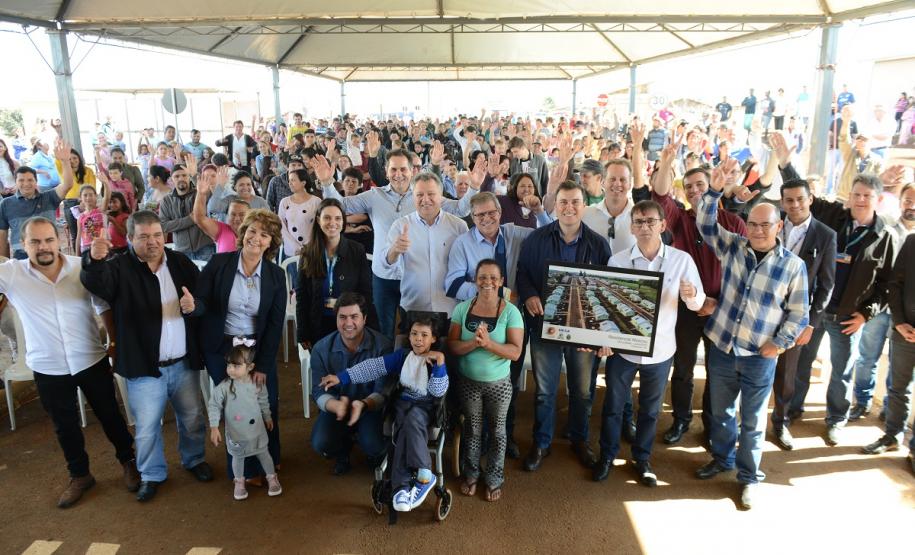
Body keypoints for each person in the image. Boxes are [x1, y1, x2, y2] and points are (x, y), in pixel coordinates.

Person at [693, 161, 809, 511]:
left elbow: (799, 313)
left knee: (753, 421)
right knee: (723, 413)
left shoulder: (793, 266)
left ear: (779, 226)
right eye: (753, 224)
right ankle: (723, 459)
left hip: (761, 356)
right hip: (723, 347)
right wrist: (713, 192)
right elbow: (705, 223)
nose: (757, 231)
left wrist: (780, 343)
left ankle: (748, 478)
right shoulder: (733, 246)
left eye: (765, 225)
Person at [0, 216, 139, 508]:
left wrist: (113, 342)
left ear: (60, 239)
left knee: (110, 414)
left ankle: (129, 462)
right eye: (35, 241)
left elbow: (103, 306)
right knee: (65, 425)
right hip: (47, 365)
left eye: (49, 240)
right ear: (23, 244)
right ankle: (80, 475)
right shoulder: (12, 274)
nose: (43, 247)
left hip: (89, 357)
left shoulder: (80, 267)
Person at [81, 210, 212, 502]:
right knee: (147, 427)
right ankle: (152, 474)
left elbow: (205, 299)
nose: (152, 242)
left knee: (192, 418)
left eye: (156, 235)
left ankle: (193, 460)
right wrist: (94, 260)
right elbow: (96, 283)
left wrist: (196, 306)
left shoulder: (180, 263)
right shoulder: (117, 268)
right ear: (130, 239)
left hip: (183, 363)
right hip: (143, 367)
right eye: (143, 237)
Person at [778, 157, 898, 446]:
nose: (859, 200)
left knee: (842, 371)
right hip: (815, 310)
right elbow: (801, 195)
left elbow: (887, 286)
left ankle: (835, 420)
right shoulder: (833, 217)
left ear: (877, 200)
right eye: (856, 194)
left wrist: (865, 315)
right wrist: (784, 161)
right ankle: (792, 410)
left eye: (867, 196)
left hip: (848, 316)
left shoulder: (885, 236)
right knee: (802, 364)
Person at [593, 200, 705, 486]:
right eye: (639, 222)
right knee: (614, 406)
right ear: (631, 227)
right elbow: (607, 309)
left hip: (661, 351)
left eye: (650, 221)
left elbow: (697, 304)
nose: (644, 227)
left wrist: (691, 294)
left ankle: (642, 459)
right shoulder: (617, 261)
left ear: (663, 225)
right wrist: (604, 340)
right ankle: (607, 455)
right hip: (623, 350)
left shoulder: (681, 261)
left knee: (651, 410)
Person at [314, 150, 476, 339]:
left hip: (417, 277)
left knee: (415, 330)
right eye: (393, 169)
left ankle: (410, 366)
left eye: (403, 169)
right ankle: (388, 368)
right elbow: (342, 206)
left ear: (412, 170)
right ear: (386, 171)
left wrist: (475, 186)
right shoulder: (374, 195)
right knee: (384, 329)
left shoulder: (424, 195)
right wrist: (326, 182)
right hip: (384, 275)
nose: (398, 174)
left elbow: (460, 208)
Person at [650, 143, 747, 446]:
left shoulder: (734, 223)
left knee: (719, 375)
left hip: (723, 309)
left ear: (713, 187)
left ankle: (713, 426)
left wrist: (716, 303)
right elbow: (661, 195)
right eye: (688, 187)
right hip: (685, 308)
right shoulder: (679, 219)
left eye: (700, 185)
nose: (693, 191)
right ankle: (681, 420)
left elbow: (744, 273)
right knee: (683, 370)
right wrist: (666, 162)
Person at [180, 209, 286, 482]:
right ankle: (245, 470)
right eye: (252, 231)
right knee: (235, 408)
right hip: (222, 348)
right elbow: (202, 302)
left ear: (271, 242)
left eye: (264, 234)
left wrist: (262, 365)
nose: (256, 238)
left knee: (266, 404)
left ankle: (269, 461)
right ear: (243, 233)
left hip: (256, 349)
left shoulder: (275, 276)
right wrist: (193, 307)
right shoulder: (220, 263)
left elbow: (275, 324)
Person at [516, 180, 612, 472]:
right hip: (546, 326)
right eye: (563, 203)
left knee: (582, 390)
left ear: (584, 206)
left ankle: (580, 439)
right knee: (545, 390)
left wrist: (601, 333)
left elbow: (607, 290)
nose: (569, 208)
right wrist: (531, 294)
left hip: (584, 331)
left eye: (575, 202)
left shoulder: (599, 245)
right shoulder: (536, 239)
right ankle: (542, 442)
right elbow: (522, 272)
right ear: (554, 207)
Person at [320, 316, 449, 512]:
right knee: (404, 422)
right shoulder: (402, 356)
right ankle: (406, 489)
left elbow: (438, 392)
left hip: (426, 407)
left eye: (424, 335)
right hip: (403, 403)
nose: (418, 339)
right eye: (414, 334)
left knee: (411, 418)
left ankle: (414, 480)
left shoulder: (436, 359)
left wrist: (440, 364)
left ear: (433, 339)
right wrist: (341, 377)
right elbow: (372, 367)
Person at [764, 149, 837, 452]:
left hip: (796, 317)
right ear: (782, 203)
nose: (794, 205)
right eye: (788, 200)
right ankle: (747, 421)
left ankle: (780, 423)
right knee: (753, 367)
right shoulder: (771, 225)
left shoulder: (825, 235)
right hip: (763, 309)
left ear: (810, 200)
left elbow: (827, 285)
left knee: (787, 375)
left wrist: (811, 323)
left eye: (800, 199)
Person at [447, 259, 523, 501]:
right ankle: (471, 475)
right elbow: (452, 346)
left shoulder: (511, 312)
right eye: (482, 277)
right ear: (474, 280)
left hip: (499, 385)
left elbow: (515, 352)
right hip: (468, 382)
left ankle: (493, 479)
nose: (487, 282)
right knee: (472, 430)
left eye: (493, 278)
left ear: (501, 282)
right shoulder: (461, 309)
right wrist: (474, 343)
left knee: (498, 432)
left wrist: (489, 344)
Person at [309, 292, 391, 475]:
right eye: (342, 317)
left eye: (354, 317)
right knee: (320, 443)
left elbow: (383, 391)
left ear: (364, 319)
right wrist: (335, 405)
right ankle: (342, 451)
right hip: (337, 408)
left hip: (369, 408)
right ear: (336, 318)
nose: (348, 323)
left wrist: (362, 405)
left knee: (374, 447)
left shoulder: (383, 345)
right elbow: (317, 390)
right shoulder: (321, 348)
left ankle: (370, 449)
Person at [381, 172, 468, 327]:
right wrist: (395, 250)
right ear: (412, 196)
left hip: (451, 310)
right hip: (413, 309)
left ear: (441, 195)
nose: (425, 199)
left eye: (431, 194)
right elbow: (386, 265)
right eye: (419, 194)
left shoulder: (459, 226)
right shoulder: (400, 226)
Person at [860, 234, 915, 475]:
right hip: (905, 331)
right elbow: (894, 283)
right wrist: (900, 322)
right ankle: (892, 436)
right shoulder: (912, 241)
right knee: (898, 388)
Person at [207, 339, 282, 500]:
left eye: (236, 365)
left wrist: (267, 416)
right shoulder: (223, 387)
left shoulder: (257, 383)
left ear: (250, 367)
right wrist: (214, 427)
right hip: (236, 433)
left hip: (257, 431)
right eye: (229, 365)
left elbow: (263, 400)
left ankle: (271, 477)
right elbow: (214, 405)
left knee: (264, 454)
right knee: (238, 457)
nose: (231, 370)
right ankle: (239, 482)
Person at [296, 198, 376, 348]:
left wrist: (368, 327)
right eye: (327, 217)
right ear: (319, 220)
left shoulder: (356, 250)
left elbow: (366, 292)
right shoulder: (308, 252)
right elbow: (302, 296)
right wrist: (303, 332)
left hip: (350, 323)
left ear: (343, 221)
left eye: (338, 218)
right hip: (318, 323)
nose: (332, 223)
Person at [0, 139, 74, 259]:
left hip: (50, 251)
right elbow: (2, 236)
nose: (26, 184)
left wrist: (65, 161)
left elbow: (68, 184)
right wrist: (3, 264)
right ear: (16, 182)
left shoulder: (49, 197)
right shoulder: (6, 204)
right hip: (22, 256)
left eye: (30, 180)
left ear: (36, 181)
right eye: (21, 180)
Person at [159, 164, 215, 262]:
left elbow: (210, 194)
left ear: (189, 177)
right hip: (181, 251)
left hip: (205, 248)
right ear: (171, 179)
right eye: (177, 176)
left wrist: (194, 175)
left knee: (208, 277)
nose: (181, 178)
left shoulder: (200, 194)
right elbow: (164, 226)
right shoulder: (166, 200)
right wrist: (190, 219)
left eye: (184, 175)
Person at [192, 167, 249, 254]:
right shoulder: (222, 230)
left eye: (241, 215)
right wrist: (201, 194)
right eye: (233, 214)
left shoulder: (255, 233)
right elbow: (200, 218)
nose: (237, 219)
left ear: (249, 216)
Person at [278, 168, 321, 259]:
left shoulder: (316, 201)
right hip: (292, 251)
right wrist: (295, 247)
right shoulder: (284, 202)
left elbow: (319, 227)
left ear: (303, 183)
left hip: (312, 249)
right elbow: (281, 226)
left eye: (293, 180)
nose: (290, 183)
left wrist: (309, 246)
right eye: (289, 180)